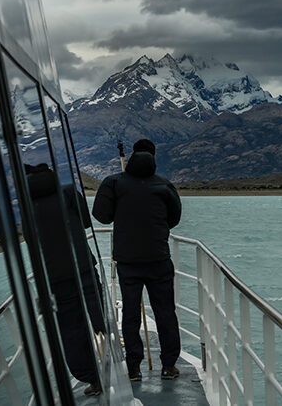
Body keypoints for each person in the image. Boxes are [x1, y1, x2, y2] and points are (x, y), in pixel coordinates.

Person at [91, 139, 182, 381]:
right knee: (165, 312)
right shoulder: (165, 186)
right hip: (159, 259)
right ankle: (168, 366)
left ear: (131, 155)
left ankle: (133, 368)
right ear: (154, 156)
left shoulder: (114, 182)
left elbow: (102, 216)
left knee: (130, 314)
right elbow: (174, 220)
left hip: (128, 262)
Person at [25, 163, 105, 397]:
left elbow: (32, 242)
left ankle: (93, 379)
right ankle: (119, 365)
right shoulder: (68, 191)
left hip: (56, 279)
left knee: (71, 332)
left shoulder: (28, 208)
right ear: (51, 174)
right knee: (101, 319)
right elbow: (87, 222)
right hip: (83, 269)